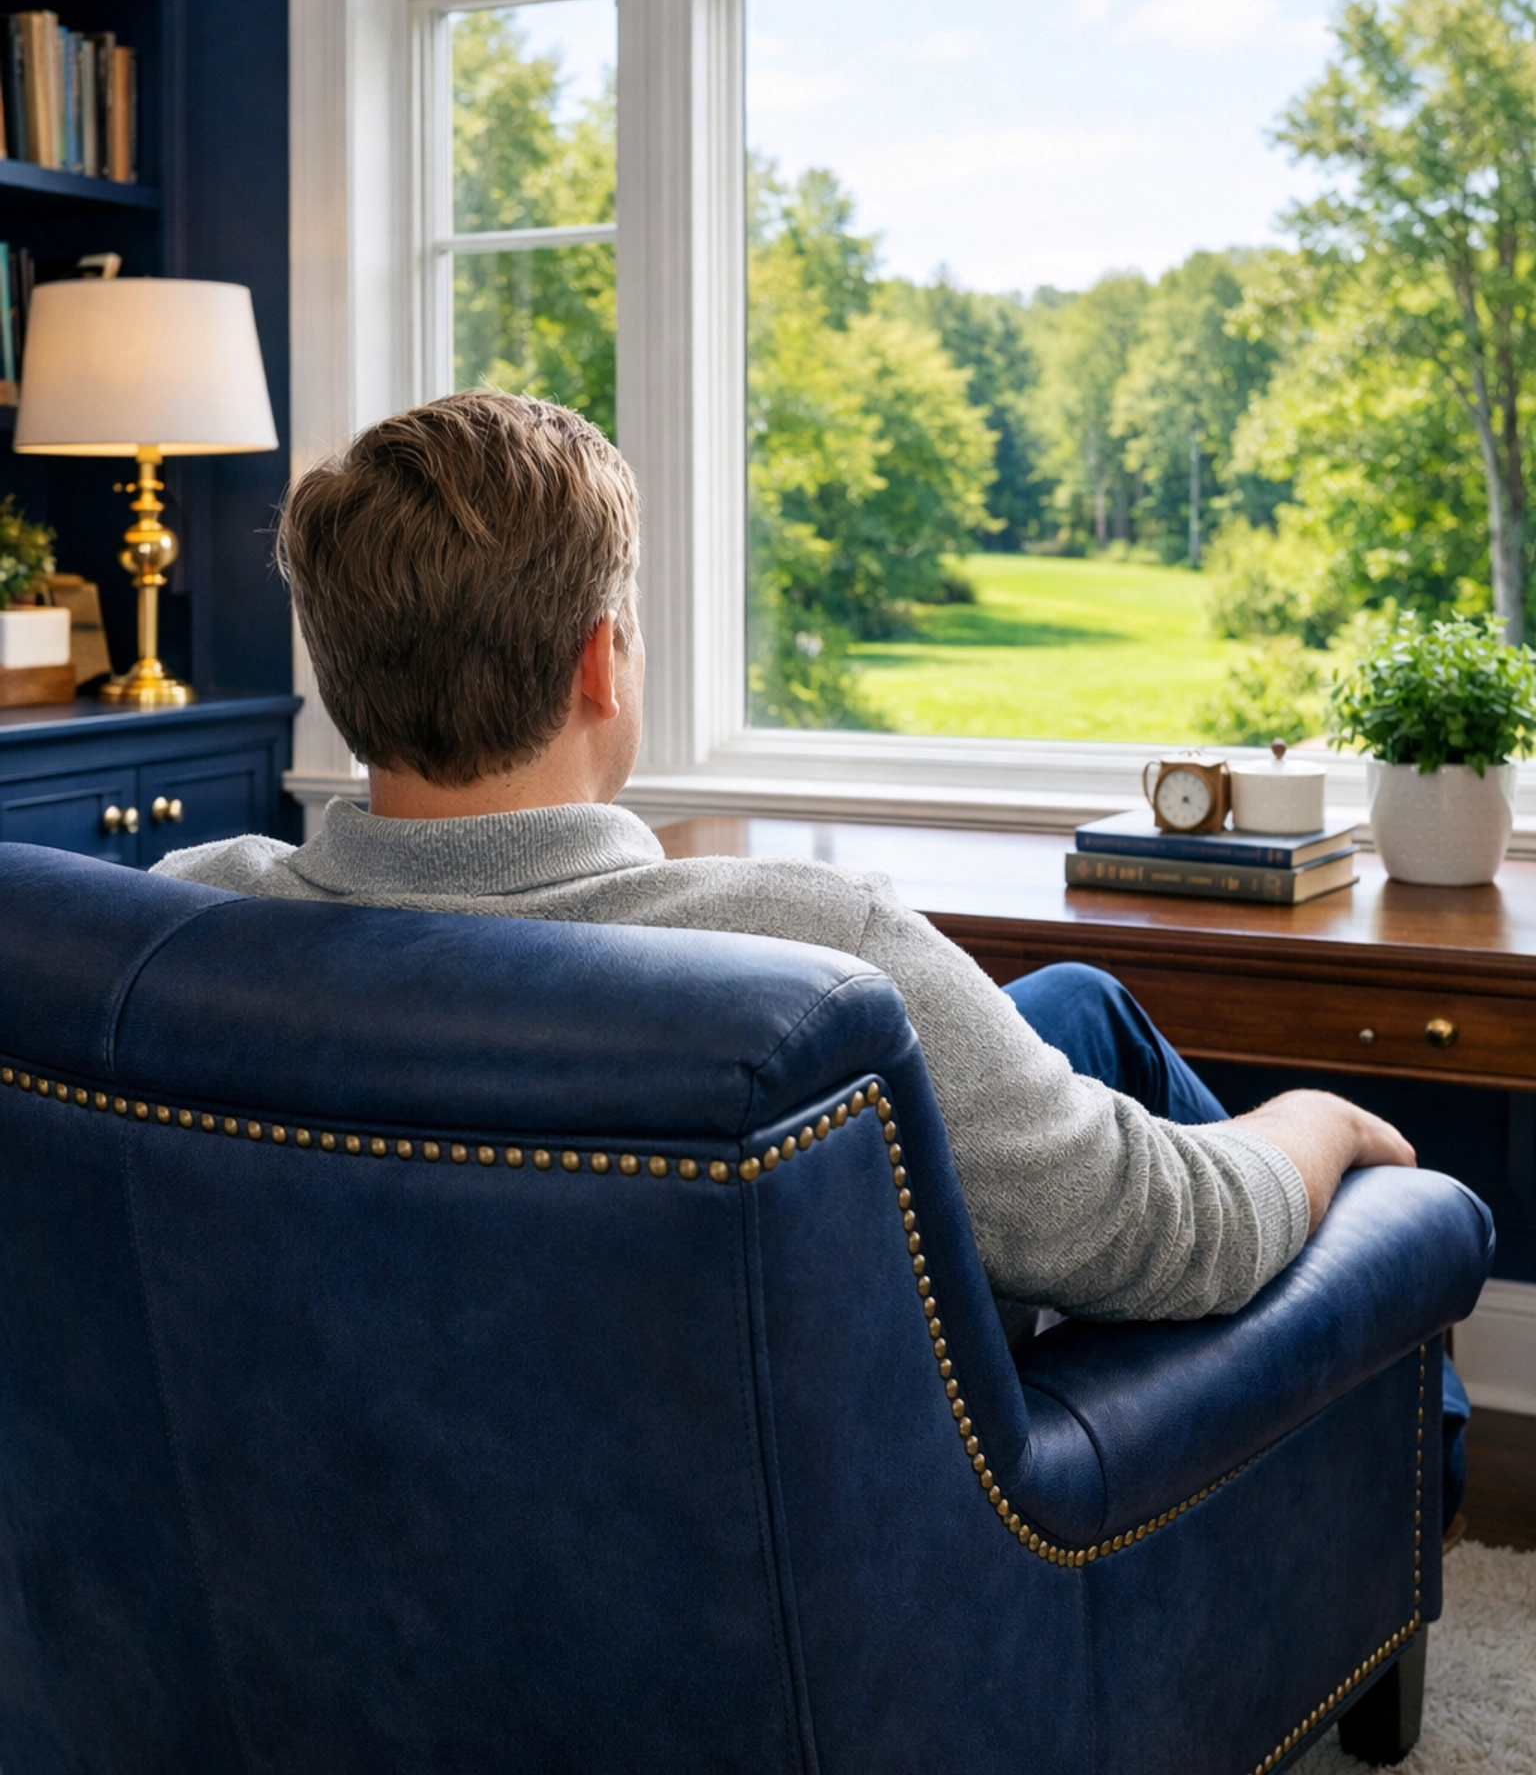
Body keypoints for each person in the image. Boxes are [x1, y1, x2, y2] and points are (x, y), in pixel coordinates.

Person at [154, 392, 1464, 1512]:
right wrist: (1318, 1120)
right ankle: (1413, 1472)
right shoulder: (807, 955)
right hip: (876, 1526)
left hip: (396, 1472)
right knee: (1196, 1152)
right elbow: (1185, 1236)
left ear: (337, 669)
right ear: (601, 663)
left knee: (1079, 1007)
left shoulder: (186, 921)